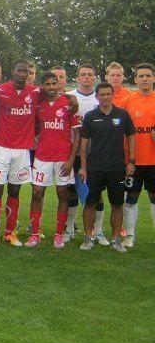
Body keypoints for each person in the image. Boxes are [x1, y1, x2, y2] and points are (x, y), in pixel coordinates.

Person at [0, 61, 39, 249]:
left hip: (22, 150)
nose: (22, 74)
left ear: (29, 74)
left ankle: (9, 233)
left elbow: (59, 94)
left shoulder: (36, 92)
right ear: (13, 72)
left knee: (15, 191)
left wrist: (72, 99)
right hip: (1, 148)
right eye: (19, 70)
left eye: (26, 71)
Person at [79, 82, 136, 252]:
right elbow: (83, 144)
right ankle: (88, 238)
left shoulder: (122, 114)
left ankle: (117, 239)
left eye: (108, 94)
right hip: (94, 168)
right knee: (90, 203)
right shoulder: (90, 116)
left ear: (113, 95)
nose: (105, 97)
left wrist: (131, 161)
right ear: (97, 97)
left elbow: (131, 137)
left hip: (116, 168)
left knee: (117, 204)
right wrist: (83, 167)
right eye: (101, 95)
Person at [27, 72, 80, 248]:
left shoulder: (69, 104)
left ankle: (58, 235)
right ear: (42, 85)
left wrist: (71, 160)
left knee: (62, 193)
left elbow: (77, 134)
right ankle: (35, 234)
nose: (51, 87)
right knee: (36, 192)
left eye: (54, 83)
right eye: (47, 84)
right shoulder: (38, 104)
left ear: (59, 84)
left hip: (63, 157)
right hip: (42, 157)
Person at [65, 64, 103, 243]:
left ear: (94, 78)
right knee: (70, 192)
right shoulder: (70, 97)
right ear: (77, 77)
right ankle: (70, 229)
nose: (86, 77)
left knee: (97, 193)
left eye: (90, 75)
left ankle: (98, 231)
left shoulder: (100, 99)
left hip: (95, 154)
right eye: (83, 75)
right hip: (72, 152)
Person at [120, 63, 155, 247]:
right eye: (141, 76)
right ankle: (130, 235)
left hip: (154, 161)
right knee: (131, 198)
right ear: (135, 80)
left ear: (153, 78)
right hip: (132, 161)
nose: (144, 79)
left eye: (148, 75)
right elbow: (119, 130)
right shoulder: (128, 101)